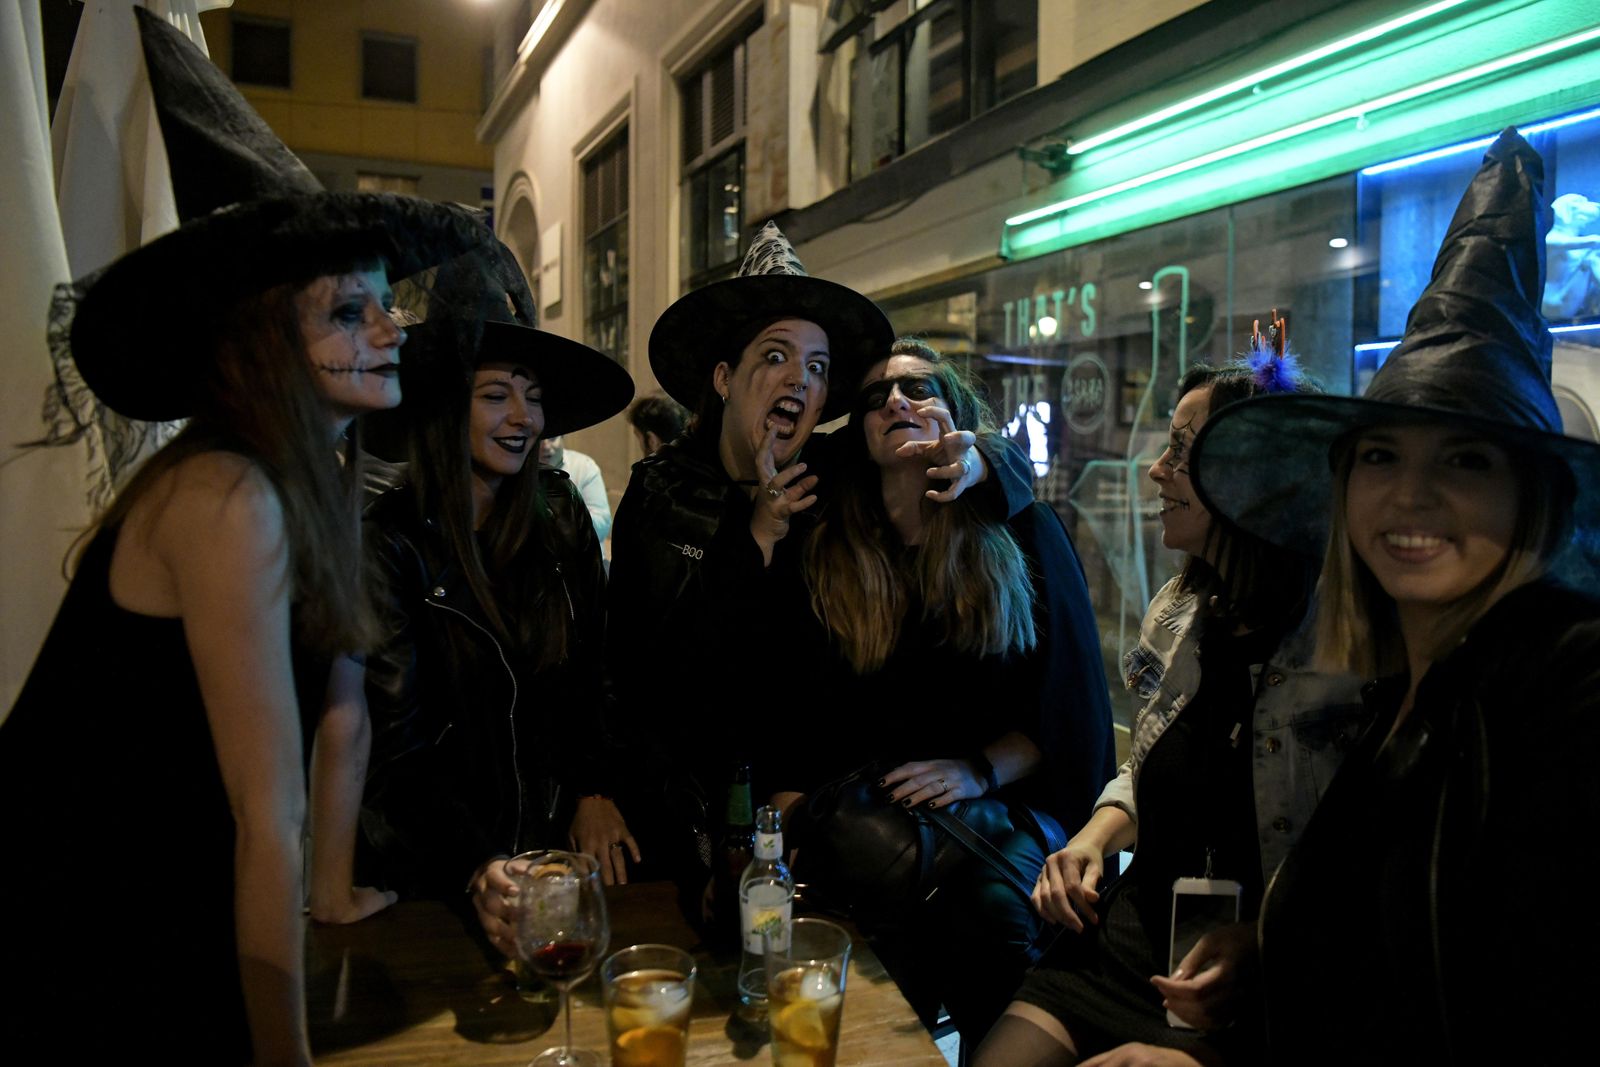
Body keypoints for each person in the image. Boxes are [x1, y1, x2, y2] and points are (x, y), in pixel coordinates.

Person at [0, 11, 487, 1063]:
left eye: (383, 305)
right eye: (349, 312)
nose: (390, 328)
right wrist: (286, 1058)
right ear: (267, 344)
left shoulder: (317, 482)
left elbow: (341, 713)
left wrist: (335, 892)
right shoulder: (230, 496)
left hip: (166, 900)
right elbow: (263, 812)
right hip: (81, 926)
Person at [1190, 129, 1600, 1065]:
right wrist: (1267, 954)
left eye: (1464, 458)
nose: (1410, 496)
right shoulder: (1400, 691)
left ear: (1533, 491)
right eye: (1381, 455)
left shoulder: (1566, 689)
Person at [974, 329, 1368, 1067]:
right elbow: (1154, 763)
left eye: (1183, 450)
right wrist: (1089, 840)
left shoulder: (1344, 651)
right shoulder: (1177, 610)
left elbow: (1367, 865)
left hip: (1254, 980)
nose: (1156, 470)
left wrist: (1263, 944)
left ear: (1253, 473)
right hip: (1136, 933)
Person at [607, 223, 1035, 899]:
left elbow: (937, 440)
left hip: (792, 819)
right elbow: (637, 667)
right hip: (668, 810)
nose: (798, 380)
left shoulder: (828, 474)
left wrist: (987, 459)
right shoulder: (662, 492)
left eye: (815, 367)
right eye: (775, 355)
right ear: (724, 378)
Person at [759, 339, 1116, 1046]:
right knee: (864, 1003)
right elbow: (791, 710)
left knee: (991, 932)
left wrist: (974, 769)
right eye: (875, 398)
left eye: (920, 390)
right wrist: (792, 820)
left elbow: (1066, 711)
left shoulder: (1017, 532)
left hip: (996, 813)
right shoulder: (828, 543)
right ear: (858, 432)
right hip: (866, 830)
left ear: (958, 421)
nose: (896, 401)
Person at [358, 239, 636, 955]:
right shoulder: (389, 542)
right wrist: (475, 864)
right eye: (495, 394)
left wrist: (594, 787)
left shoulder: (560, 510)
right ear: (447, 406)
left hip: (554, 855)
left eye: (534, 396)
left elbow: (593, 672)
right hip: (434, 875)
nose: (525, 417)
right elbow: (398, 746)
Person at [540, 433, 612, 542]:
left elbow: (603, 523)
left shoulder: (584, 467)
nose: (545, 446)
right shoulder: (519, 468)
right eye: (539, 439)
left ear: (562, 437)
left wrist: (568, 518)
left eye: (552, 438)